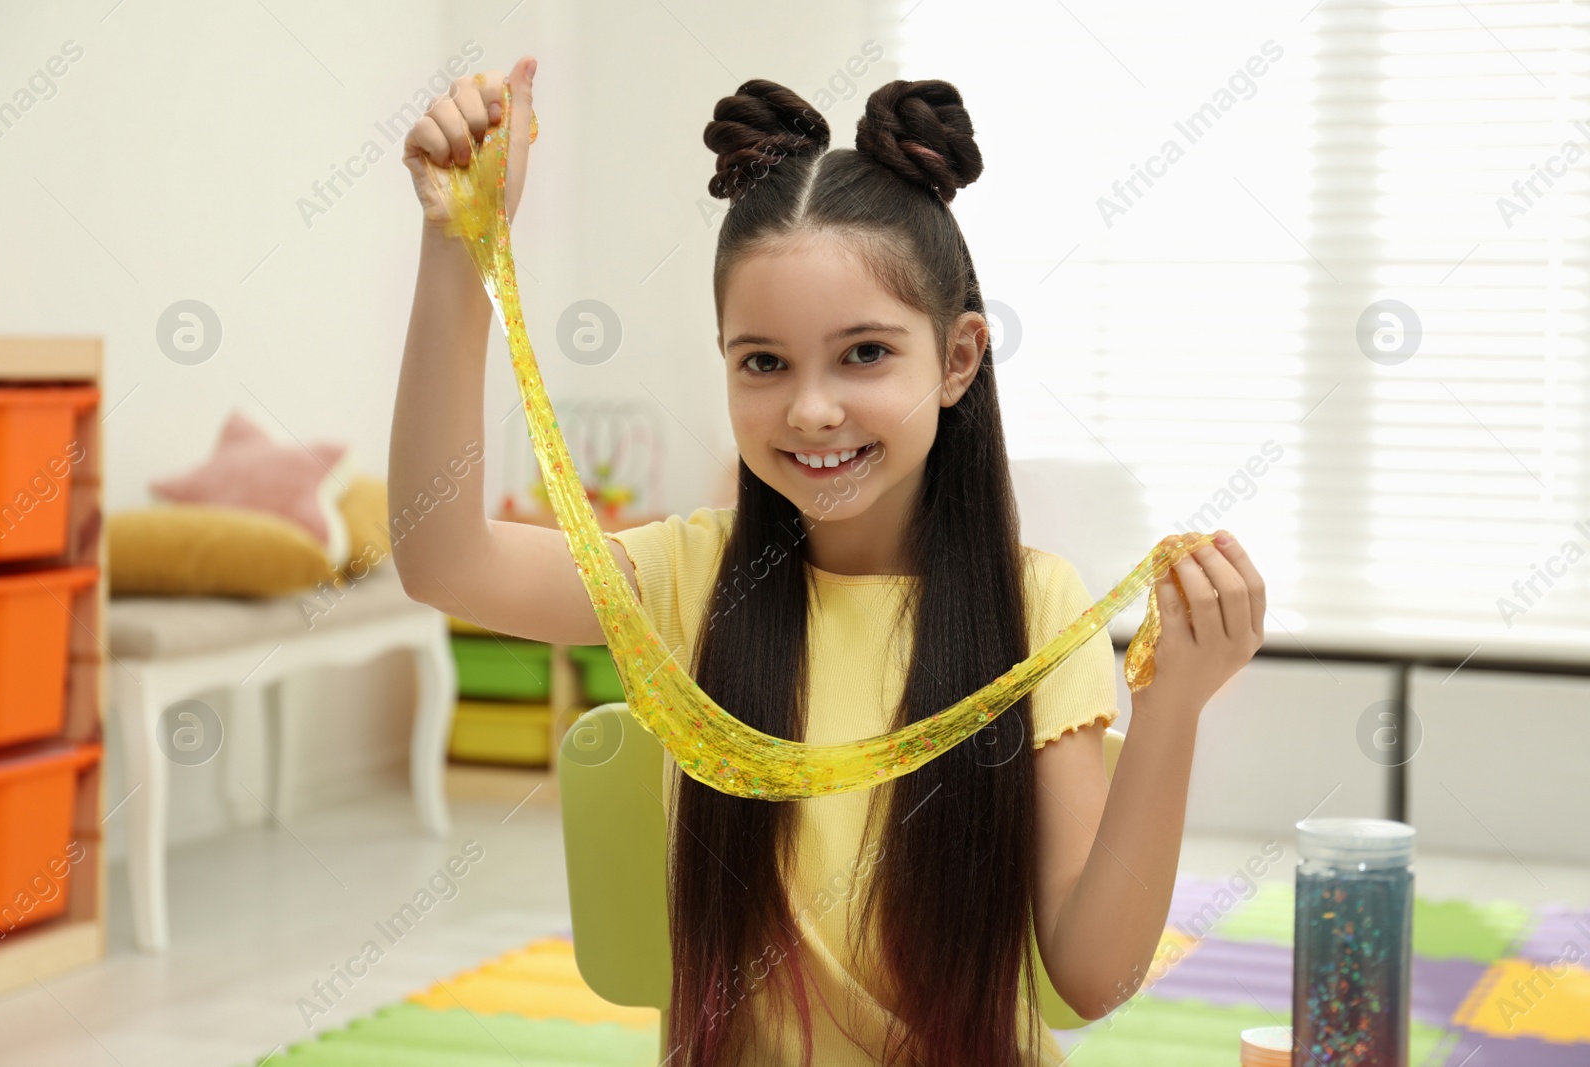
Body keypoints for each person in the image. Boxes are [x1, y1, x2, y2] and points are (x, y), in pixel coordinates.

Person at [392, 55, 1266, 1067]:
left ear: (957, 358)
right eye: (762, 361)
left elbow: (1089, 977)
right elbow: (442, 555)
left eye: (863, 354)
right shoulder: (690, 577)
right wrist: (459, 241)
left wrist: (1171, 706)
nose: (810, 409)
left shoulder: (1033, 603)